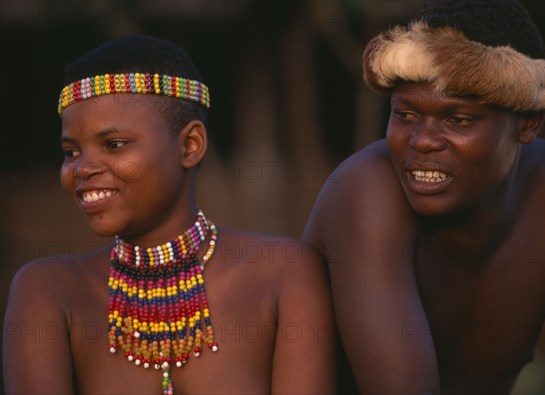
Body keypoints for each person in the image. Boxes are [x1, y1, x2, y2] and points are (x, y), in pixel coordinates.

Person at [3, 35, 335, 395]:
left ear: (190, 145)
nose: (82, 169)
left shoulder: (283, 273)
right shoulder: (48, 291)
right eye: (71, 152)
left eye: (113, 145)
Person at [303, 1, 545, 394]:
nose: (422, 141)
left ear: (528, 122)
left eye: (458, 120)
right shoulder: (366, 191)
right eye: (405, 115)